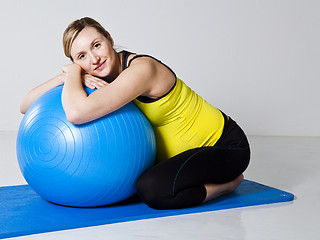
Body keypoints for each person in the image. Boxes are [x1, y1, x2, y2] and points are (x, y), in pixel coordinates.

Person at [20, 17, 250, 210]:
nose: (94, 59)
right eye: (81, 56)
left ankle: (227, 185)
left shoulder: (141, 70)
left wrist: (71, 74)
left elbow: (77, 113)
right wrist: (63, 77)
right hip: (181, 156)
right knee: (132, 188)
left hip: (224, 145)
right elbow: (26, 105)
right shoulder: (97, 76)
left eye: (96, 45)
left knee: (151, 190)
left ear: (109, 39)